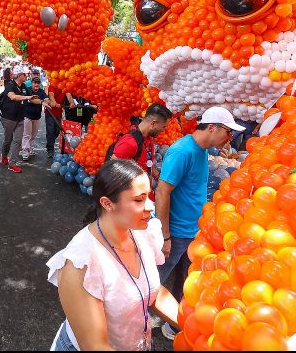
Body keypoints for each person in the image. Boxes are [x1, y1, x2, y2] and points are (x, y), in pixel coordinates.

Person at [47, 159, 179, 351]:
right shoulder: (81, 264)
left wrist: (194, 325)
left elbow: (153, 291)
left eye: (149, 196)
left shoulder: (142, 232)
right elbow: (95, 346)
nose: (151, 206)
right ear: (108, 204)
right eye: (138, 200)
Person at [154, 106, 244, 340]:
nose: (229, 138)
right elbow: (163, 191)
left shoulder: (202, 150)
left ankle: (173, 324)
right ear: (212, 128)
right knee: (152, 281)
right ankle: (129, 323)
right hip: (176, 232)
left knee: (185, 281)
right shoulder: (183, 151)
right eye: (228, 132)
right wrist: (164, 236)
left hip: (193, 230)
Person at [110, 104, 172, 187]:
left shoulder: (148, 138)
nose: (163, 130)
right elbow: (113, 171)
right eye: (163, 127)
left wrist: (158, 177)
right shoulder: (129, 143)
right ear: (153, 123)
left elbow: (147, 163)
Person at [0, 66, 40, 173]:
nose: (27, 76)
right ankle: (4, 156)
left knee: (17, 141)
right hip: (9, 117)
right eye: (24, 74)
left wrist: (44, 102)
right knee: (8, 140)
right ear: (19, 75)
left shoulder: (24, 87)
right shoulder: (10, 85)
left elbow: (33, 98)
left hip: (20, 118)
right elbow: (13, 97)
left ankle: (12, 164)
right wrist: (27, 98)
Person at [21, 77, 48, 160]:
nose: (36, 84)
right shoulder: (27, 90)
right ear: (31, 83)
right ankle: (25, 151)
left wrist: (48, 102)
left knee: (34, 134)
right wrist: (42, 102)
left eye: (38, 83)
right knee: (26, 135)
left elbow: (46, 99)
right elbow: (33, 100)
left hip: (37, 116)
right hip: (27, 116)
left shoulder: (41, 91)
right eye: (35, 83)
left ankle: (31, 148)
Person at [45, 83, 65, 158]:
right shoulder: (52, 85)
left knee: (57, 131)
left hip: (59, 114)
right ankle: (50, 149)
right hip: (50, 113)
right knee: (50, 131)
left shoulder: (64, 87)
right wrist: (54, 102)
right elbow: (51, 94)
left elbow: (68, 96)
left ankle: (50, 142)